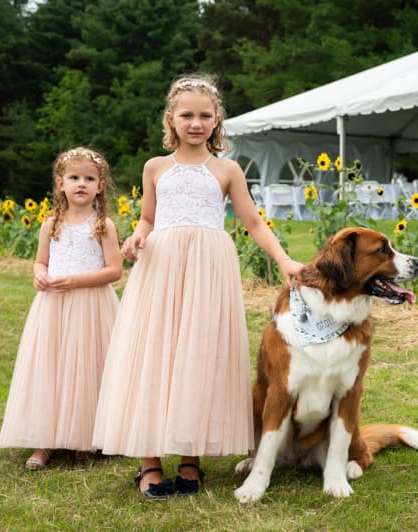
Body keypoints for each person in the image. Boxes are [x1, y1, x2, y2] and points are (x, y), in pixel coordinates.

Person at [92, 73, 304, 499]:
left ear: (217, 120)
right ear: (171, 119)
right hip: (162, 266)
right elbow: (149, 218)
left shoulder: (226, 170)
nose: (195, 122)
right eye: (186, 114)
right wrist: (137, 236)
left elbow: (253, 221)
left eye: (205, 115)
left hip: (210, 268)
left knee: (199, 355)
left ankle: (192, 461)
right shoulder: (156, 167)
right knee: (155, 354)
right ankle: (148, 462)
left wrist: (283, 259)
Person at [0, 147, 123, 469]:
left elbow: (114, 271)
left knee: (87, 368)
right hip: (53, 306)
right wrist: (40, 274)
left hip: (91, 305)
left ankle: (84, 437)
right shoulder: (50, 224)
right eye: (74, 177)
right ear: (60, 184)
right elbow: (41, 261)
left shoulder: (103, 225)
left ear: (100, 186)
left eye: (89, 178)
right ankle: (44, 441)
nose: (81, 184)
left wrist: (77, 281)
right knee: (49, 369)